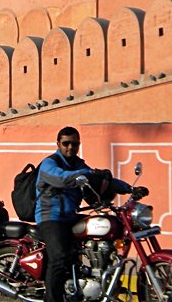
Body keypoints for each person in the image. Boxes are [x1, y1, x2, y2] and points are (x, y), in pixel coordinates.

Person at [35, 126, 131, 302]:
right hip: (51, 217)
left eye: (75, 144)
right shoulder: (49, 163)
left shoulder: (79, 164)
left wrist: (129, 188)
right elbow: (63, 178)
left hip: (70, 216)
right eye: (66, 143)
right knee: (59, 258)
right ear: (58, 144)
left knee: (96, 236)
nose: (70, 147)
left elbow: (101, 180)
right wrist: (89, 173)